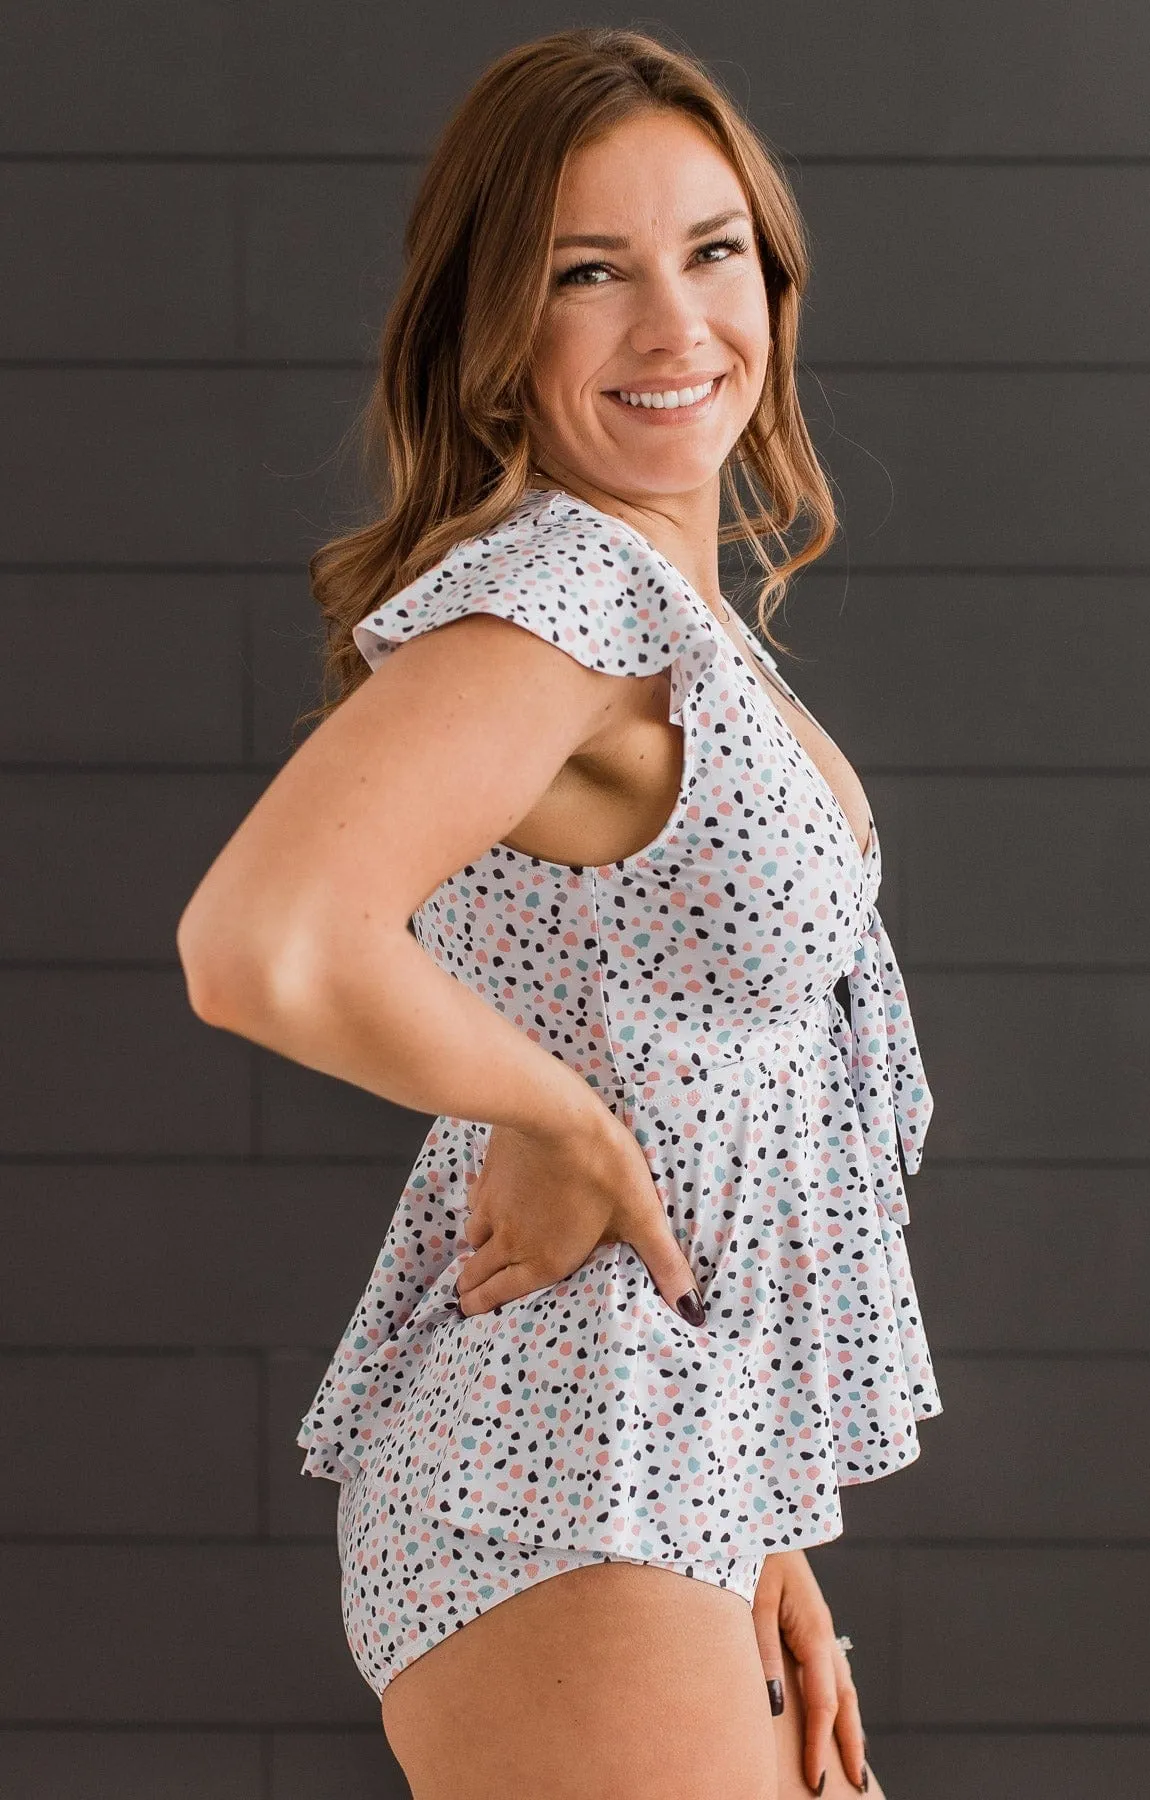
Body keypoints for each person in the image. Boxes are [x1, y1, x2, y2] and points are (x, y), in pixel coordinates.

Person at [177, 26, 942, 1800]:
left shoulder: (670, 609)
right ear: (497, 332)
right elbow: (260, 941)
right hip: (563, 1460)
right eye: (588, 273)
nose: (677, 327)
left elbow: (671, 1036)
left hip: (663, 1455)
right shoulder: (569, 590)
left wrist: (758, 1518)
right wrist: (557, 1116)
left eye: (713, 250)